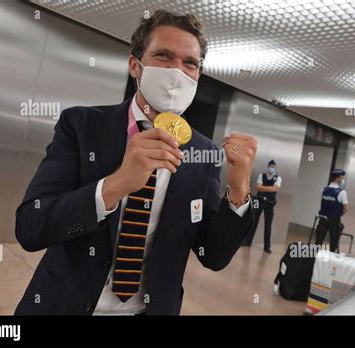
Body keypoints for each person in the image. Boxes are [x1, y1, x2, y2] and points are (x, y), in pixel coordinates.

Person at [14, 10, 257, 316]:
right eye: (164, 56)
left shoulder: (203, 153)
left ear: (198, 76)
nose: (177, 72)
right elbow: (30, 227)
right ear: (135, 65)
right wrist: (113, 186)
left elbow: (213, 256)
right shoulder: (82, 126)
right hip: (64, 305)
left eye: (189, 63)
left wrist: (238, 191)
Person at [242, 160, 282, 253]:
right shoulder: (261, 176)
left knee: (268, 225)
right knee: (253, 221)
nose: (271, 168)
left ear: (275, 168)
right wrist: (269, 189)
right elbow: (258, 187)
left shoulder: (278, 178)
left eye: (273, 166)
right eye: (270, 166)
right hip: (258, 201)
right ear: (267, 166)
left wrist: (264, 188)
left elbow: (275, 189)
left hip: (269, 203)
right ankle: (247, 242)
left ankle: (267, 246)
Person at [315, 169, 349, 253]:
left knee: (318, 240)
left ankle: (314, 258)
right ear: (337, 178)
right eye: (341, 177)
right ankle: (331, 259)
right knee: (333, 241)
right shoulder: (342, 192)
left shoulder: (324, 189)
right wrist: (338, 215)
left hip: (322, 218)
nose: (342, 179)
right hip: (334, 220)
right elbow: (346, 209)